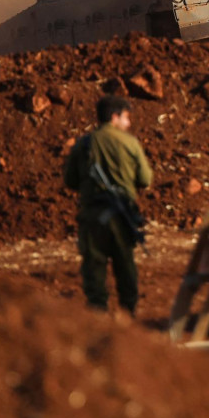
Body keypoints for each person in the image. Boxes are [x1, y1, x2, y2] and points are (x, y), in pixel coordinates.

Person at [64, 95, 153, 313]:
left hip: (92, 216)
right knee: (125, 265)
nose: (128, 123)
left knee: (94, 267)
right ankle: (128, 314)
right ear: (115, 117)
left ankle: (98, 315)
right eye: (126, 118)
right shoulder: (129, 142)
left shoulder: (83, 144)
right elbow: (145, 179)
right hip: (121, 216)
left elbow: (70, 181)